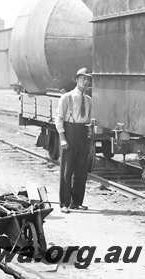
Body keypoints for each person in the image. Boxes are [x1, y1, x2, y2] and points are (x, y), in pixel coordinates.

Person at [55, 67, 92, 213]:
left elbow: (89, 119)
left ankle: (77, 202)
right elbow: (59, 118)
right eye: (83, 78)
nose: (86, 81)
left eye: (88, 79)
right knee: (67, 170)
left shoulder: (89, 100)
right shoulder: (66, 97)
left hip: (83, 133)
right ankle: (65, 203)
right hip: (69, 132)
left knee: (82, 170)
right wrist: (62, 137)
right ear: (77, 80)